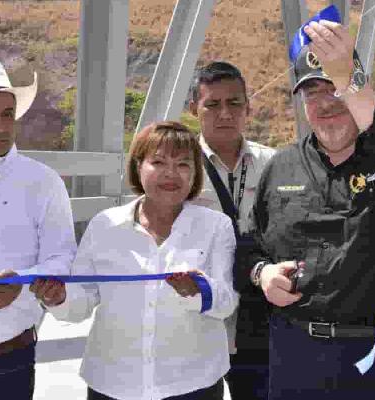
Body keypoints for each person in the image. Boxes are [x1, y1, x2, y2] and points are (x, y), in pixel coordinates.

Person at [243, 20, 375, 399]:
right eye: (312, 92)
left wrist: (349, 74)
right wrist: (262, 273)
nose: (326, 102)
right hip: (295, 357)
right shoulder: (280, 167)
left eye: (334, 87)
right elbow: (249, 246)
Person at [38, 121, 238, 400]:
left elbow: (227, 302)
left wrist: (198, 291)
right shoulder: (104, 225)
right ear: (137, 166)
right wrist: (59, 298)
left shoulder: (216, 226)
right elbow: (82, 299)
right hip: (113, 383)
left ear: (195, 173)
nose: (171, 174)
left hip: (193, 383)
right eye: (158, 162)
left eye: (183, 164)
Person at [0, 52, 76, 400]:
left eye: (7, 114)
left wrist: (24, 280)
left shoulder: (43, 182)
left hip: (8, 359)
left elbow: (63, 257)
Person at [188, 61, 275, 400]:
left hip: (258, 314)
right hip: (199, 314)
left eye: (234, 103)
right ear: (194, 108)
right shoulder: (179, 166)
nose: (224, 113)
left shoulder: (274, 164)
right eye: (212, 104)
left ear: (248, 108)